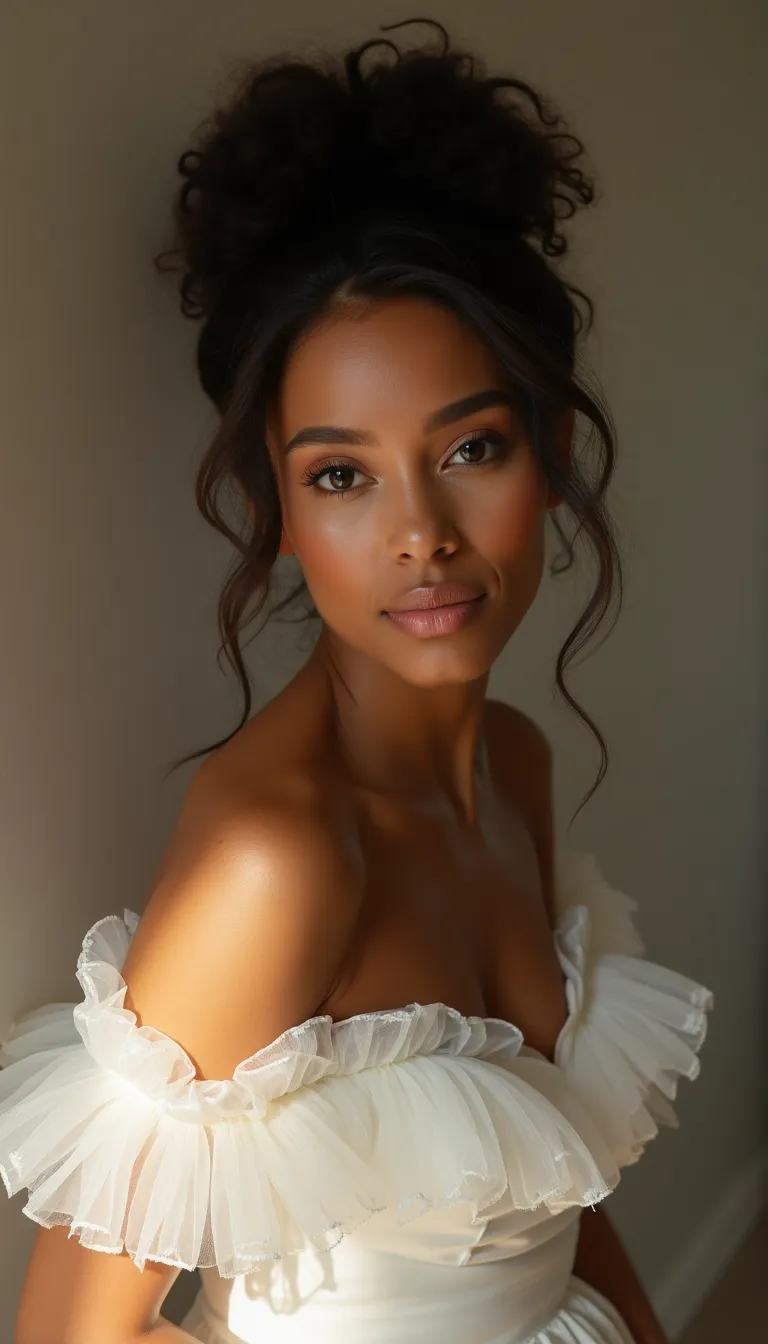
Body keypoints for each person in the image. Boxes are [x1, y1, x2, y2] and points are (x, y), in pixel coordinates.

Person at [0, 20, 712, 1344]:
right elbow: (66, 1333)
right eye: (341, 474)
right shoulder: (276, 862)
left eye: (473, 448)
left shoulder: (515, 760)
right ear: (273, 509)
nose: (420, 534)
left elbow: (559, 1176)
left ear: (550, 451)